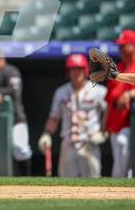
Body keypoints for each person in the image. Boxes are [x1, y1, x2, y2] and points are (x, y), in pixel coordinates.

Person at [38, 54, 107, 177]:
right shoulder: (61, 92)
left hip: (89, 142)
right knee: (66, 182)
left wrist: (104, 131)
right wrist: (46, 134)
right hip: (68, 143)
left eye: (79, 69)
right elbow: (54, 117)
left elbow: (110, 112)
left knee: (93, 182)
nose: (76, 73)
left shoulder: (99, 91)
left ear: (85, 70)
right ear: (68, 72)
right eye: (73, 69)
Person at [104, 30, 135, 177]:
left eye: (124, 45)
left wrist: (130, 94)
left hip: (129, 123)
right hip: (115, 123)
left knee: (124, 148)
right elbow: (110, 100)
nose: (120, 49)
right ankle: (120, 191)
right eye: (119, 46)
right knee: (120, 161)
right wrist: (104, 126)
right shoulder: (118, 68)